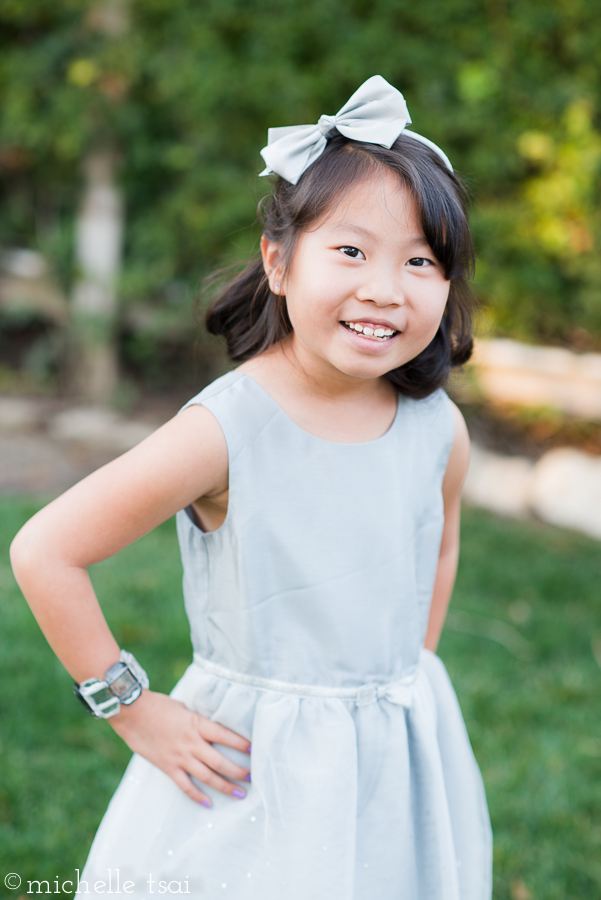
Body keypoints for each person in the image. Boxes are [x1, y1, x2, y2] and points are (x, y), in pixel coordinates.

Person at [10, 76, 492, 899]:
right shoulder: (228, 430)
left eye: (420, 261)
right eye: (351, 251)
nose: (385, 287)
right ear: (277, 261)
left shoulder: (435, 427)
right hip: (250, 764)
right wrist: (130, 707)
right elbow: (46, 549)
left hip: (394, 751)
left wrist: (403, 676)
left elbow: (437, 542)